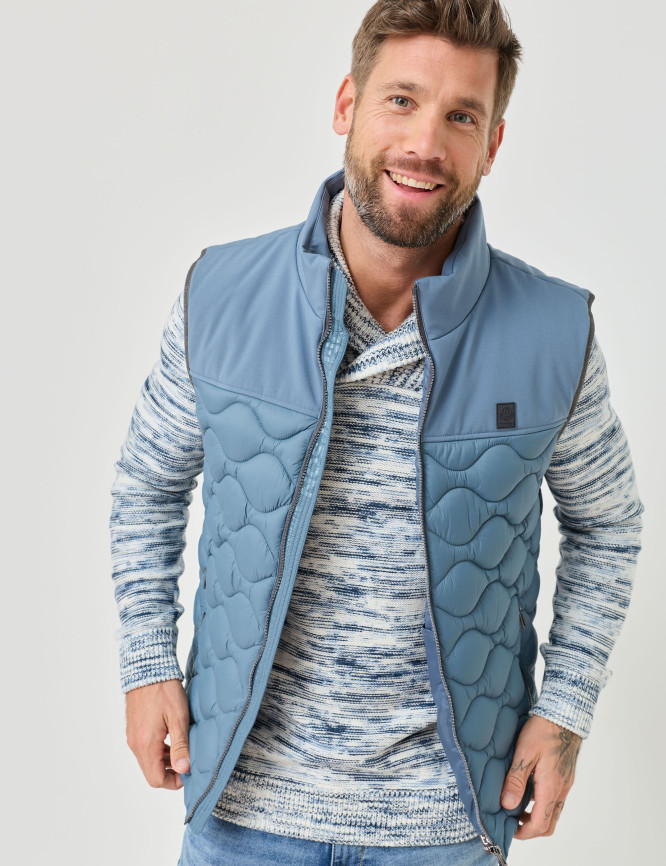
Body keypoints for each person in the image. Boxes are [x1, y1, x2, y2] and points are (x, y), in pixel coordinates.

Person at [109, 2, 643, 864]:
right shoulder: (220, 296)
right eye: (402, 100)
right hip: (241, 814)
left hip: (446, 828)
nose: (425, 143)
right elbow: (148, 481)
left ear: (493, 145)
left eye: (461, 117)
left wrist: (564, 710)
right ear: (346, 105)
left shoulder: (552, 335)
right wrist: (147, 663)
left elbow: (608, 523)